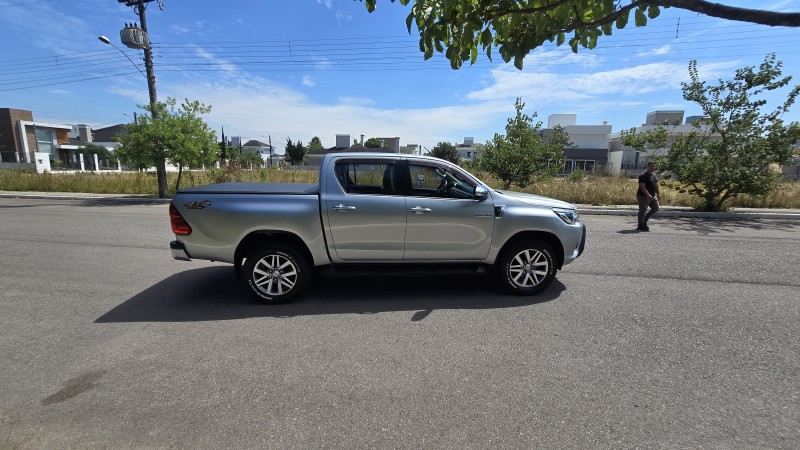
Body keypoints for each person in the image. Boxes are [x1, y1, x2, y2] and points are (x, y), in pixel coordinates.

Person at [636, 162, 659, 231]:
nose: (653, 168)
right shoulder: (643, 176)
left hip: (652, 196)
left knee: (656, 208)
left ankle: (644, 221)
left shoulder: (654, 175)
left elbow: (656, 185)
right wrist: (647, 195)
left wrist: (658, 194)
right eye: (651, 166)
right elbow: (642, 186)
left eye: (654, 166)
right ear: (648, 167)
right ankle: (640, 225)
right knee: (642, 211)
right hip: (643, 196)